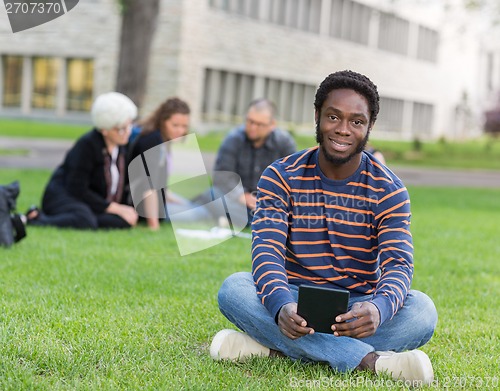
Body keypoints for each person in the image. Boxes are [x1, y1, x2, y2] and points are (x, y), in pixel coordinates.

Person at [210, 70, 438, 385]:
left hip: (357, 308)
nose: (343, 130)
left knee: (423, 311)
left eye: (356, 122)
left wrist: (377, 309)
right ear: (317, 116)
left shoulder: (390, 190)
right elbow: (266, 252)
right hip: (294, 301)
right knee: (234, 289)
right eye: (333, 117)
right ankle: (369, 362)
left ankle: (271, 350)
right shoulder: (281, 176)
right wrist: (279, 306)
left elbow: (398, 264)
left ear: (369, 126)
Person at [27, 92, 139, 229]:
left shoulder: (123, 147)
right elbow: (77, 188)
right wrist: (114, 208)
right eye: (121, 129)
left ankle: (87, 220)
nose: (127, 132)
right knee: (85, 219)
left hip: (92, 203)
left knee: (121, 221)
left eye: (129, 126)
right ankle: (37, 219)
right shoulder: (87, 146)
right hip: (66, 196)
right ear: (105, 130)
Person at [128, 97, 212, 230]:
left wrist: (181, 203)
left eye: (184, 126)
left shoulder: (162, 140)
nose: (180, 131)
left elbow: (160, 186)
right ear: (163, 121)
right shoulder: (152, 141)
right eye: (175, 125)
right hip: (144, 207)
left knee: (195, 206)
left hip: (160, 200)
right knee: (201, 213)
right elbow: (148, 188)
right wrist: (154, 226)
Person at [211, 98, 296, 225]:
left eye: (259, 124)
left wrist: (268, 202)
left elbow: (292, 180)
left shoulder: (285, 143)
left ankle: (241, 220)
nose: (252, 127)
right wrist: (243, 196)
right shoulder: (233, 139)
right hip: (238, 200)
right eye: (250, 121)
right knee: (213, 195)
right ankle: (260, 221)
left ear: (272, 124)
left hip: (271, 204)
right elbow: (222, 178)